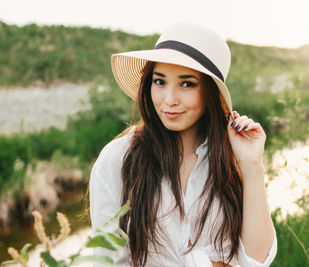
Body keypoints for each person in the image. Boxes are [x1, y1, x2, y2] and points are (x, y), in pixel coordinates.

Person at [89, 22, 277, 267]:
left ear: (211, 92)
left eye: (187, 84)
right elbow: (106, 261)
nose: (169, 100)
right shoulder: (119, 158)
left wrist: (252, 167)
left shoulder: (229, 160)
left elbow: (256, 260)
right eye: (160, 81)